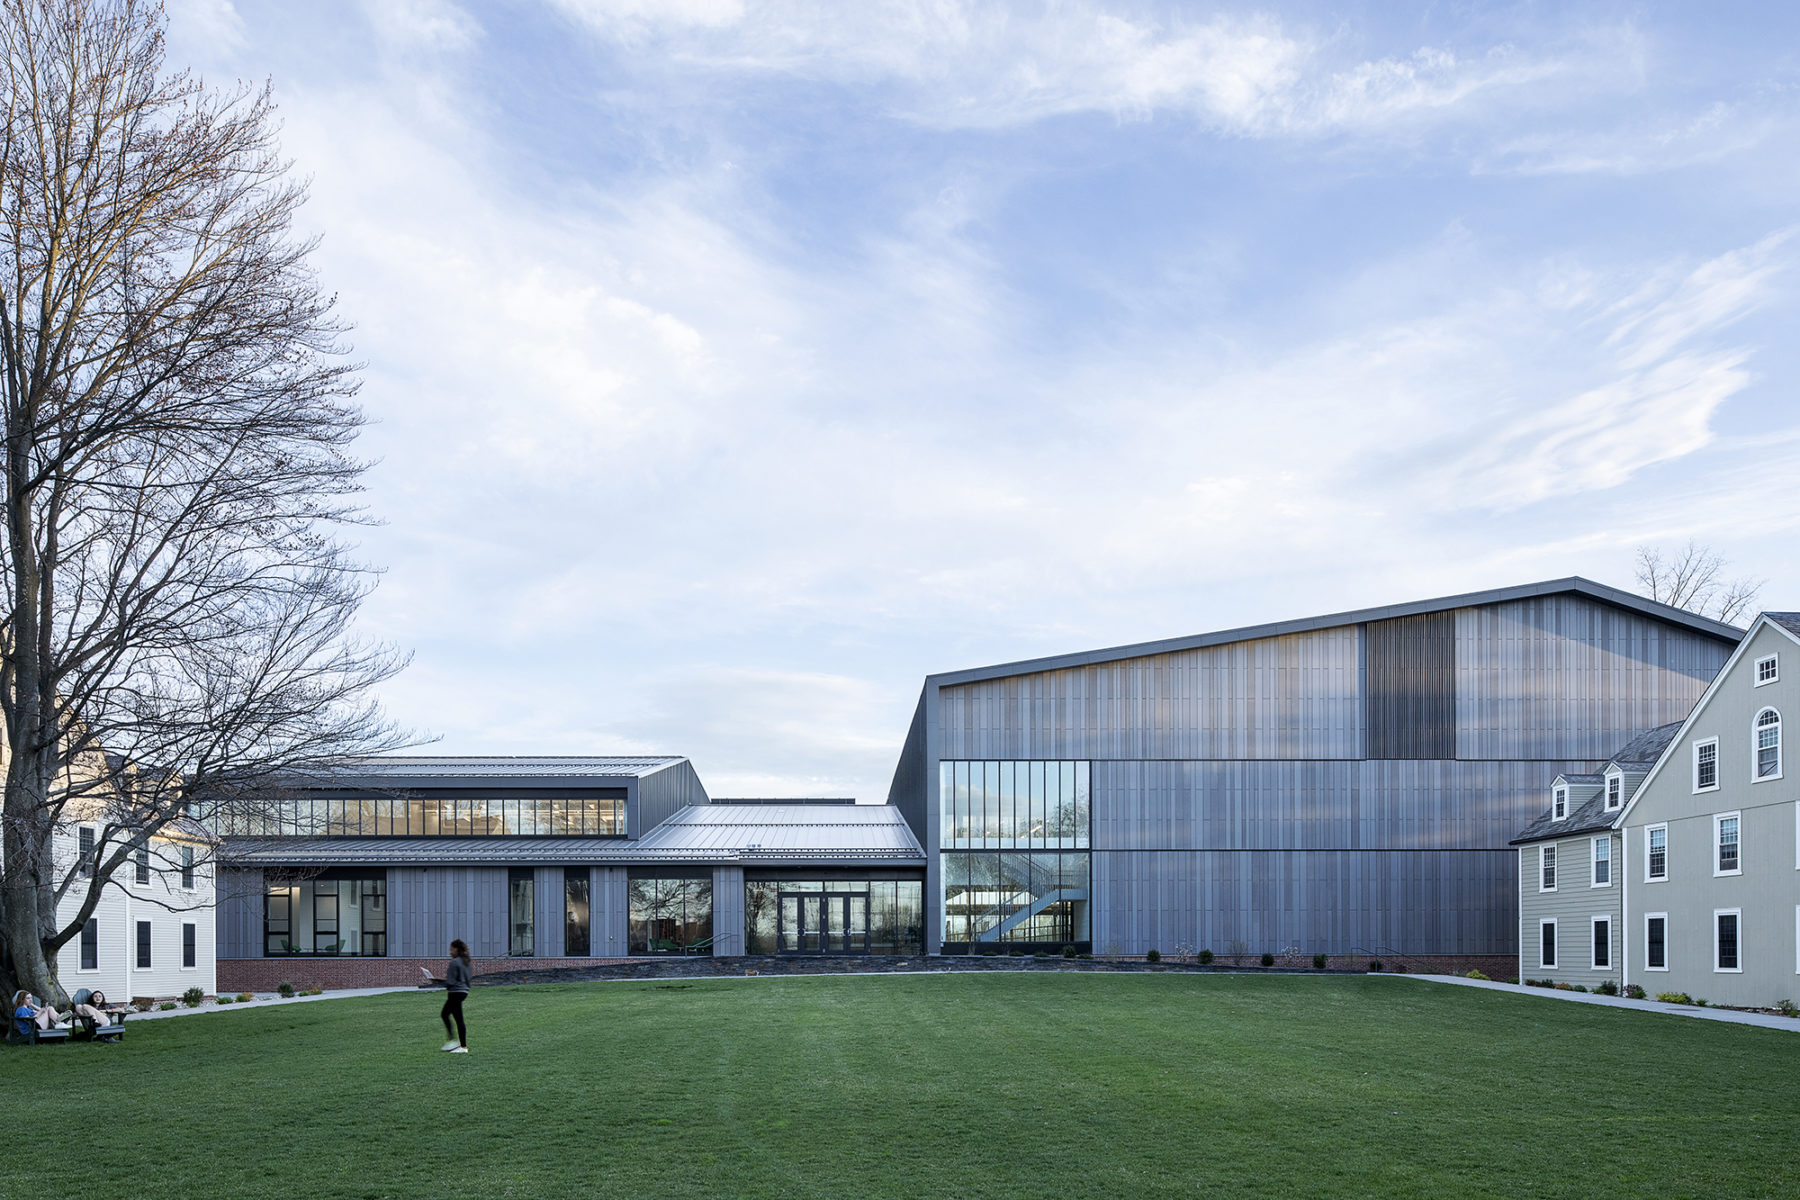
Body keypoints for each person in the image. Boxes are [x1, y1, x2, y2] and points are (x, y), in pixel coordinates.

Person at [429, 939, 472, 1053]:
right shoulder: (467, 962)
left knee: (446, 1015)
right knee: (456, 1018)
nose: (450, 952)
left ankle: (457, 1044)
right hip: (464, 992)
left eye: (451, 949)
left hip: (455, 993)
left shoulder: (454, 962)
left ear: (456, 949)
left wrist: (437, 982)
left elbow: (450, 983)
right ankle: (460, 1045)